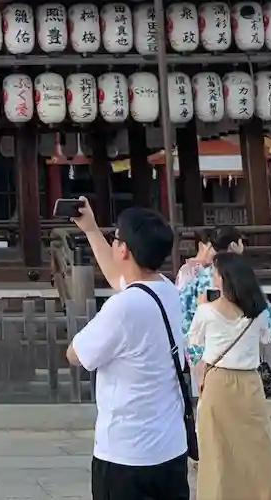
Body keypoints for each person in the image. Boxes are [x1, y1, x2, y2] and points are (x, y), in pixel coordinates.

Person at [66, 206, 190, 500]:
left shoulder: (123, 308)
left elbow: (77, 354)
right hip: (171, 447)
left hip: (127, 452)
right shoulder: (167, 291)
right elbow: (117, 278)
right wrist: (92, 230)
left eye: (115, 238)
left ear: (123, 250)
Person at [187, 252, 271, 500]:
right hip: (250, 381)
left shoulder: (206, 311)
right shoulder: (259, 312)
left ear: (223, 278)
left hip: (218, 381)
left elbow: (194, 341)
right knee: (257, 450)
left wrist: (201, 305)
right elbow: (265, 338)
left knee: (217, 452)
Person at [178, 226, 271, 394]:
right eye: (241, 242)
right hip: (244, 362)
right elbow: (269, 321)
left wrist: (196, 356)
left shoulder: (198, 280)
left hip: (210, 363)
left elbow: (183, 321)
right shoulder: (246, 281)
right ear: (234, 245)